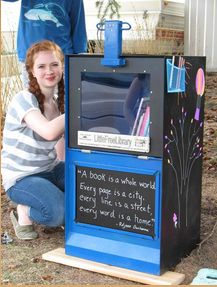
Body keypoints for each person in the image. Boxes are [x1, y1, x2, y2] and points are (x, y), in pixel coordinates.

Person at [1, 40, 65, 240]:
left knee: (85, 189)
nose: (49, 71)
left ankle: (53, 198)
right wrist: (77, 108)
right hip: (23, 178)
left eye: (54, 64)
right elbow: (48, 132)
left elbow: (60, 149)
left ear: (62, 67)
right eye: (42, 66)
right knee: (59, 213)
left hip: (50, 170)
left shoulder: (58, 103)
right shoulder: (24, 99)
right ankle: (25, 211)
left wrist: (71, 177)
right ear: (32, 71)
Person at [2, 0, 87, 86]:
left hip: (61, 58)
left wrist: (79, 58)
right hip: (29, 56)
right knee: (32, 97)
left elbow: (78, 27)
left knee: (62, 96)